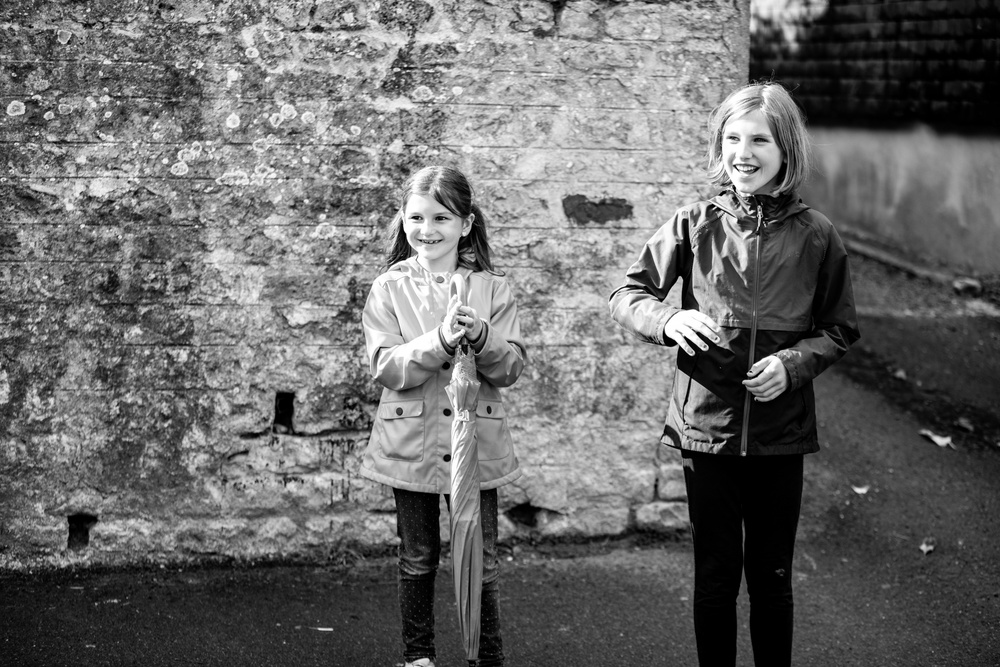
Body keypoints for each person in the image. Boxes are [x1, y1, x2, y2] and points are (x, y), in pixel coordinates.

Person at [609, 82, 860, 667]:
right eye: (732, 138)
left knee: (772, 577)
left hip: (781, 433)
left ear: (787, 151)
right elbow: (627, 294)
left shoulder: (818, 235)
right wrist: (668, 320)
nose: (743, 152)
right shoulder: (692, 224)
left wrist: (794, 364)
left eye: (759, 140)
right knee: (716, 574)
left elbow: (839, 328)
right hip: (706, 430)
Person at [359, 165, 526, 667]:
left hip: (477, 443)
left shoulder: (494, 290)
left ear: (466, 224)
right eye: (416, 217)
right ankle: (418, 657)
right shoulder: (389, 288)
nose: (426, 229)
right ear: (403, 221)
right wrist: (439, 341)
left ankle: (487, 657)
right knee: (417, 558)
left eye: (441, 218)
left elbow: (511, 364)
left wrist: (479, 336)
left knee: (481, 559)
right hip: (410, 442)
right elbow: (386, 366)